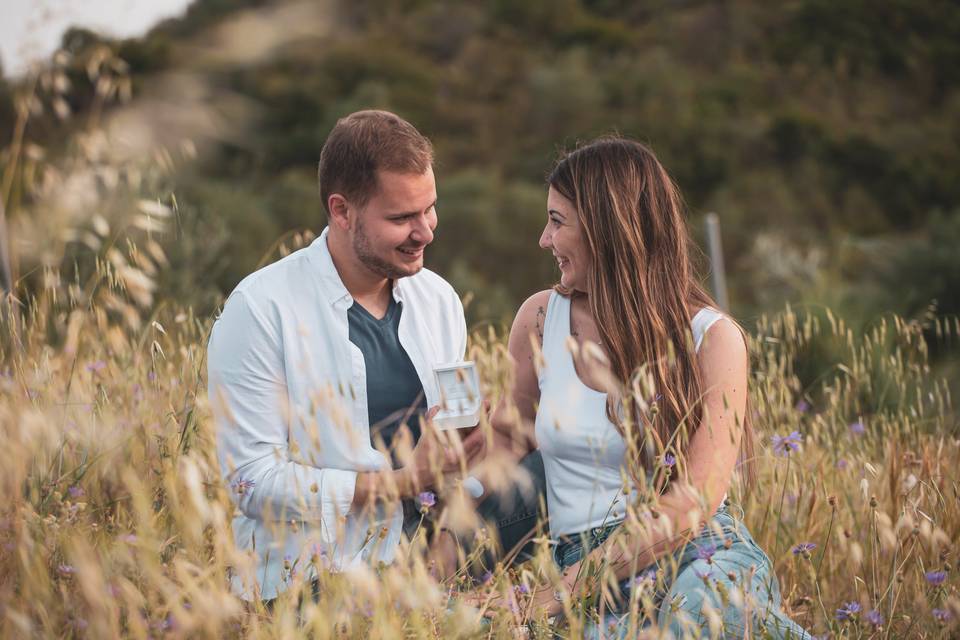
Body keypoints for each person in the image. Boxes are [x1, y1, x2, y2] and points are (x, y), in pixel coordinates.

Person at [465, 137, 811, 638]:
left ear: (609, 230)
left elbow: (694, 500)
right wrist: (453, 459)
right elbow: (506, 443)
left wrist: (554, 593)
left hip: (699, 553)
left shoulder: (712, 338)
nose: (544, 239)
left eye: (557, 221)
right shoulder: (541, 319)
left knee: (696, 618)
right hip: (588, 569)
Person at [207, 110, 483, 603]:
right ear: (341, 211)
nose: (426, 232)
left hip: (434, 564)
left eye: (430, 209)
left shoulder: (440, 299)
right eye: (401, 218)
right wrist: (400, 483)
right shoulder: (260, 309)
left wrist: (478, 445)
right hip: (313, 579)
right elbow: (250, 482)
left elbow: (459, 424)